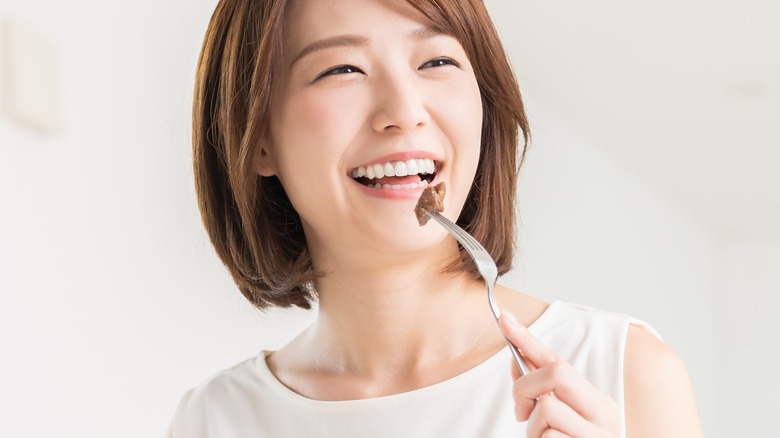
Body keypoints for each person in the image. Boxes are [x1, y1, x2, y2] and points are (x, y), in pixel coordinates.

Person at [170, 0, 703, 436]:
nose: (404, 111)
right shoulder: (215, 420)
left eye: (436, 62)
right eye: (342, 69)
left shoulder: (624, 370)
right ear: (257, 137)